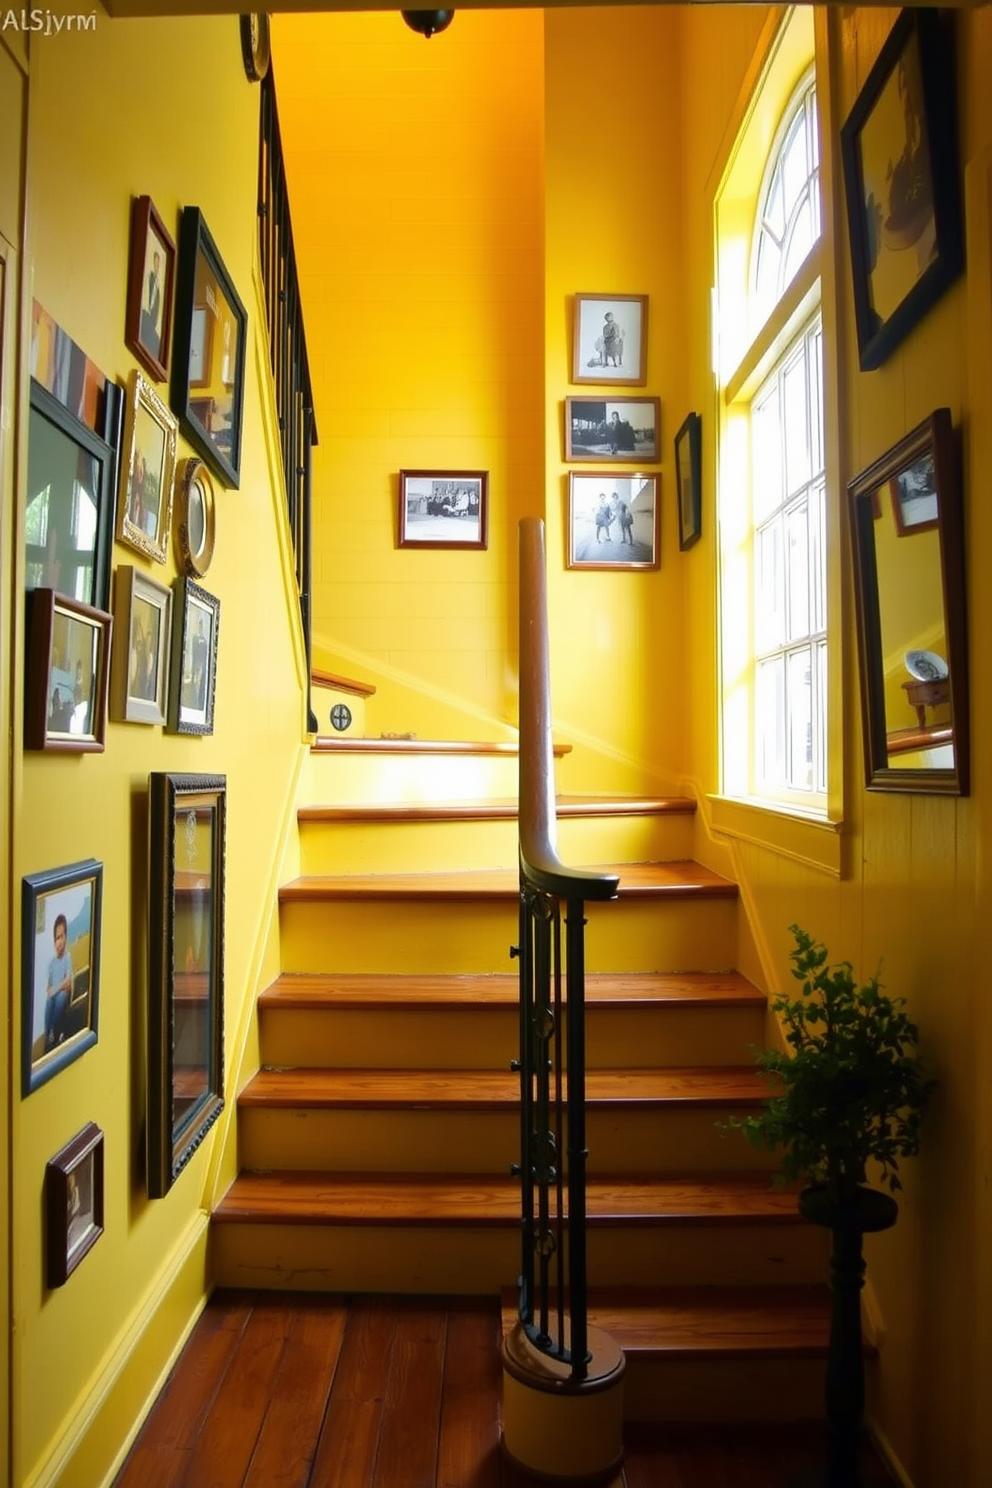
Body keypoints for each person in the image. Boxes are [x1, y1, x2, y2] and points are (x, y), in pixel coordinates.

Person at [45, 912, 73, 1051]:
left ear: (66, 937)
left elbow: (67, 983)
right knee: (49, 1001)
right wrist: (55, 989)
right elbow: (48, 989)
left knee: (60, 997)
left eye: (62, 936)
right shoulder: (51, 963)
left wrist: (56, 989)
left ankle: (54, 1034)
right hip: (55, 997)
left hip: (63, 996)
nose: (60, 941)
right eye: (57, 938)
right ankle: (49, 1037)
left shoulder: (68, 957)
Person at [141, 249, 162, 358]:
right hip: (145, 317)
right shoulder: (149, 278)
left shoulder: (158, 288)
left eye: (158, 263)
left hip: (151, 322)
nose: (156, 266)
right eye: (155, 262)